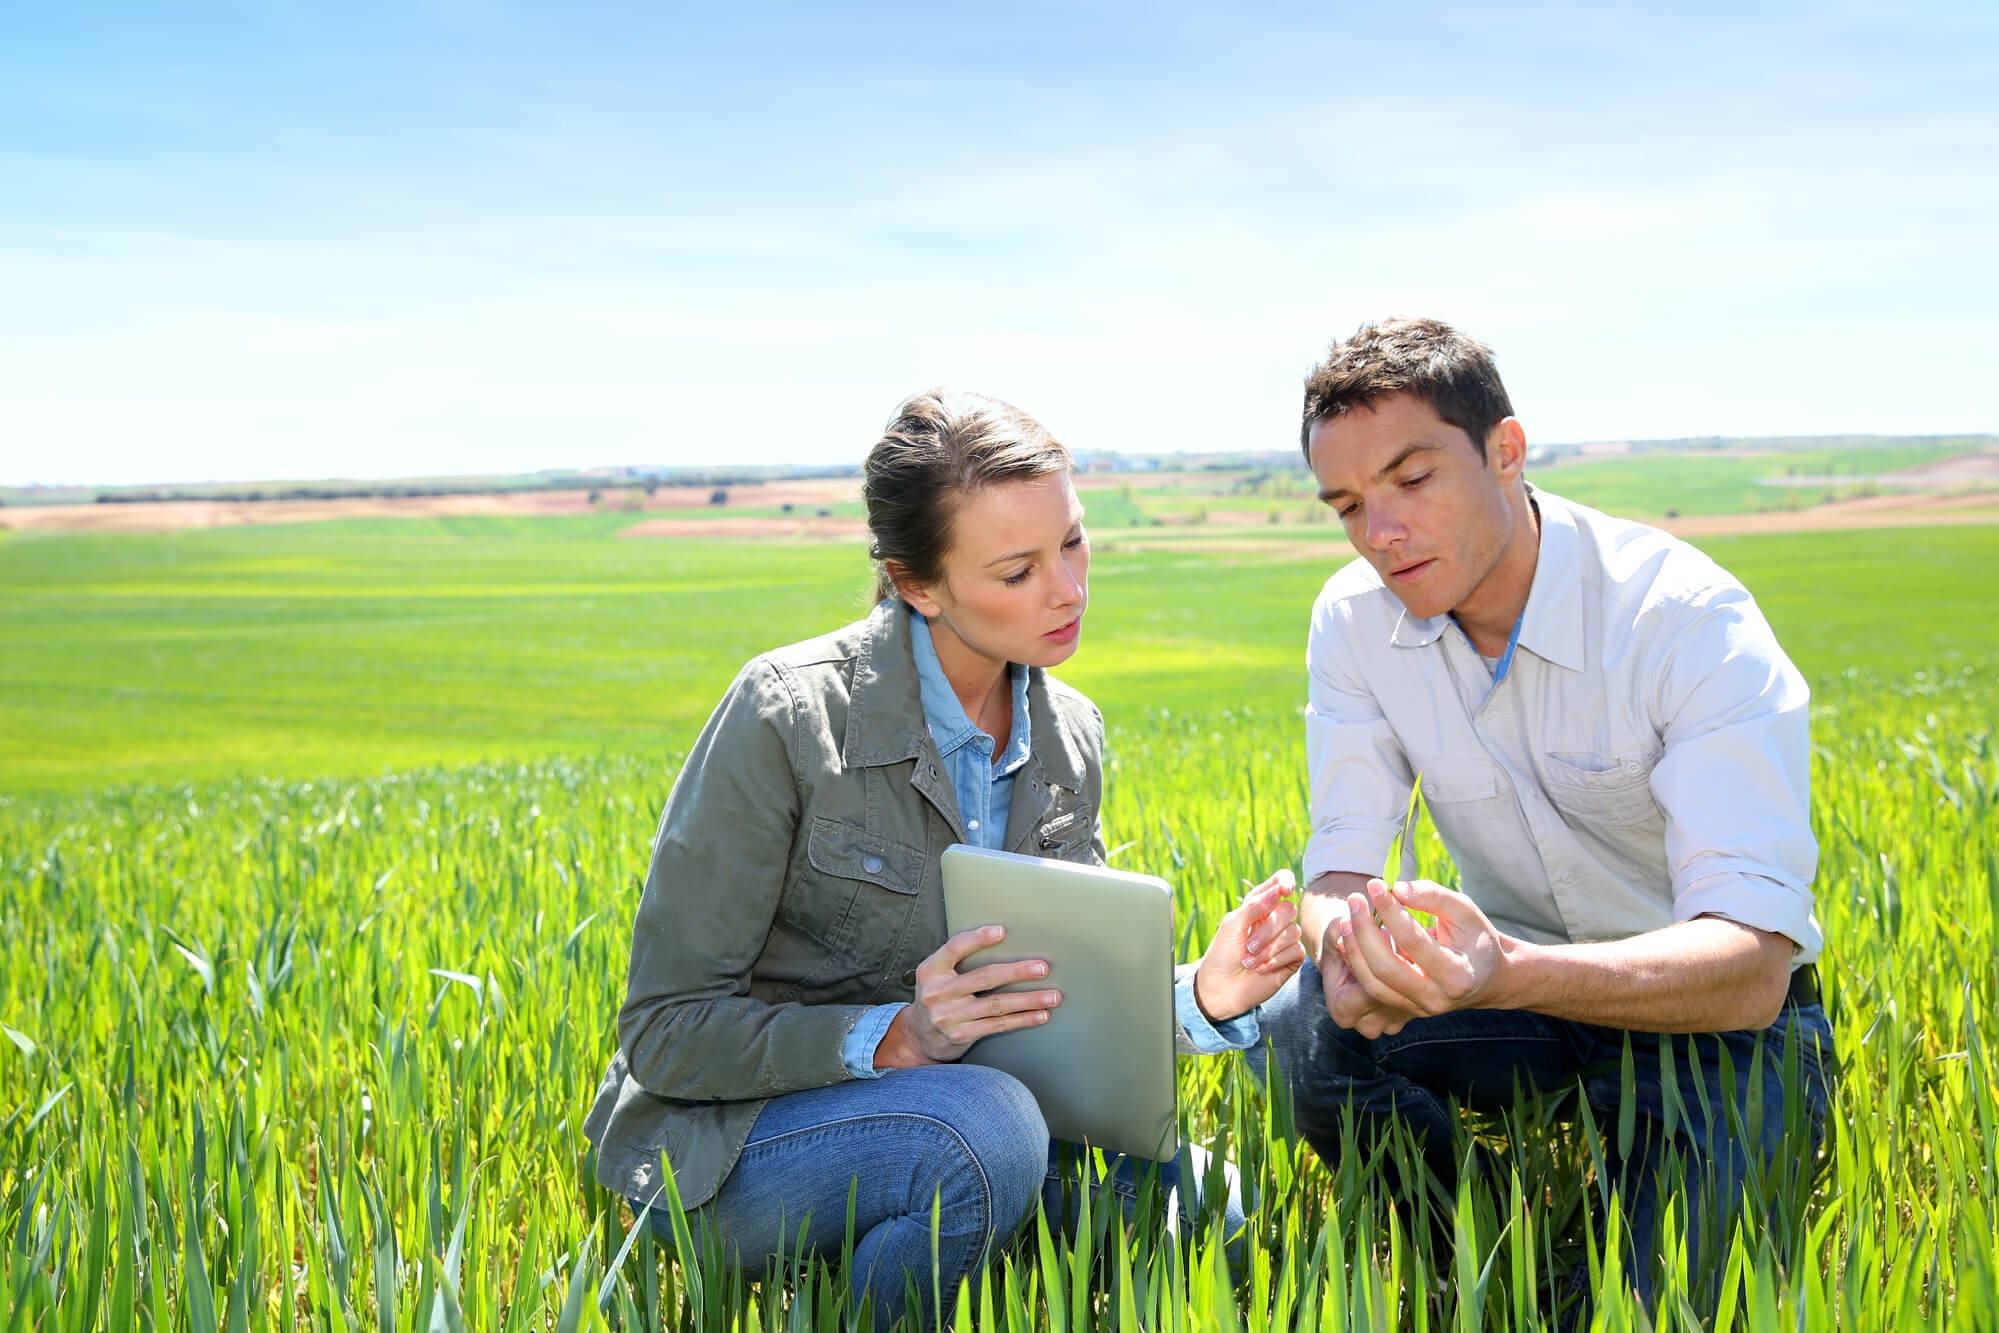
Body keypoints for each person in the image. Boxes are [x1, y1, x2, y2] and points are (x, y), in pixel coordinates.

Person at [584, 388, 1305, 1332]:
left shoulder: (1070, 734)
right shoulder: (786, 715)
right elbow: (666, 1030)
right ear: (916, 583)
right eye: (1017, 571)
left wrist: (1203, 996)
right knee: (985, 1130)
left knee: (1214, 1203)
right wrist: (893, 1037)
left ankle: (923, 1239)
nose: (1068, 589)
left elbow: (1052, 1002)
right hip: (733, 1146)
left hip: (964, 1120)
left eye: (1073, 543)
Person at [1252, 318, 1835, 1314]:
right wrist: (1352, 951)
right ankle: (1484, 1250)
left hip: (1710, 1020)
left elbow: (1749, 967)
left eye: (1411, 479)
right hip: (1511, 993)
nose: (1378, 531)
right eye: (1348, 504)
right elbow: (1338, 868)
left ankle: (1592, 1279)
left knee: (1649, 1307)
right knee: (1302, 1024)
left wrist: (1506, 970)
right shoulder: (1353, 619)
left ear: (1506, 453)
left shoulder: (1682, 619)